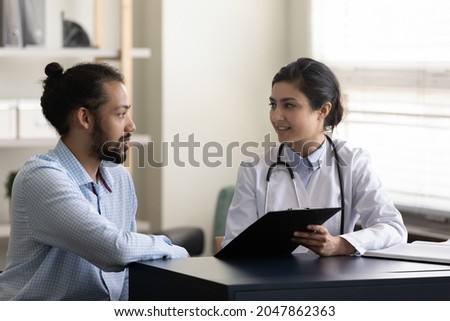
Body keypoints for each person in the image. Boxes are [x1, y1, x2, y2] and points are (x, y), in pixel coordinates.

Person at [0, 62, 188, 300]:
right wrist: (173, 249)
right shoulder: (41, 177)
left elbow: (126, 276)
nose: (131, 125)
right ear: (85, 118)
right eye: (120, 114)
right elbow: (115, 249)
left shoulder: (119, 179)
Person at [222, 57, 407, 256]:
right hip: (271, 285)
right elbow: (233, 246)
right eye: (273, 104)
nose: (276, 116)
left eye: (289, 105)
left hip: (332, 285)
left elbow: (393, 228)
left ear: (323, 110)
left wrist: (339, 244)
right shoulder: (254, 169)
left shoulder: (353, 164)